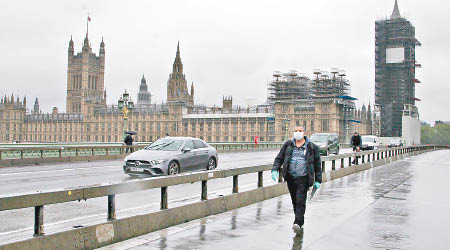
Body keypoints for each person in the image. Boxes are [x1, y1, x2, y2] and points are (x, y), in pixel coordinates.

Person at [271, 126, 322, 232]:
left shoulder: (312, 147)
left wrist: (318, 180)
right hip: (290, 178)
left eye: (300, 131)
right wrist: (275, 169)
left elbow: (317, 165)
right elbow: (279, 158)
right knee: (294, 200)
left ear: (304, 133)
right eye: (296, 131)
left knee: (300, 201)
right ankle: (300, 220)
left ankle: (297, 222)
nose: (297, 133)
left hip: (303, 178)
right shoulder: (288, 145)